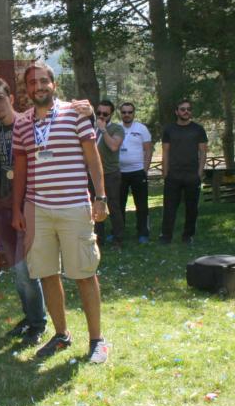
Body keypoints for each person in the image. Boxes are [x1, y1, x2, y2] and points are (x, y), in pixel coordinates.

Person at [11, 62, 110, 363]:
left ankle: (97, 340)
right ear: (27, 89)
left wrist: (101, 197)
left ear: (53, 84)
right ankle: (61, 334)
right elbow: (20, 170)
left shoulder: (75, 113)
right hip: (38, 210)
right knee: (47, 274)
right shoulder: (21, 124)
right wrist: (17, 208)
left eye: (44, 81)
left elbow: (93, 159)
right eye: (32, 82)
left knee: (84, 273)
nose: (38, 86)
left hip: (74, 206)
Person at [0, 77, 47, 346]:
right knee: (17, 269)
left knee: (25, 268)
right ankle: (30, 317)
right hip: (2, 208)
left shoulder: (30, 125)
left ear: (10, 98)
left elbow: (46, 157)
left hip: (28, 206)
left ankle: (38, 323)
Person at [159, 99, 207, 245]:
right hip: (173, 174)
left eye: (188, 109)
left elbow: (203, 152)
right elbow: (165, 152)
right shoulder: (169, 130)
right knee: (169, 208)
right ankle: (166, 236)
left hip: (192, 174)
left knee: (192, 208)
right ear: (177, 112)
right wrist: (165, 172)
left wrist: (199, 172)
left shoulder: (198, 129)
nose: (186, 112)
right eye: (183, 109)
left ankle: (188, 236)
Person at [118, 102, 152, 244]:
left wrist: (145, 170)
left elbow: (148, 150)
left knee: (141, 204)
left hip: (138, 172)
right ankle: (118, 232)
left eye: (129, 112)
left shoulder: (141, 128)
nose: (127, 114)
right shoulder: (116, 128)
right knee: (119, 205)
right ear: (120, 113)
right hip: (120, 173)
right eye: (124, 112)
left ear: (133, 113)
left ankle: (143, 232)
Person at [94, 100, 125, 248]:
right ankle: (98, 239)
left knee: (113, 207)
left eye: (105, 114)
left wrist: (103, 130)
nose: (101, 116)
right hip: (94, 175)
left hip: (110, 174)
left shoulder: (117, 128)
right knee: (95, 206)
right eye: (98, 113)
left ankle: (118, 239)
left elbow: (113, 146)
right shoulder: (91, 128)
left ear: (111, 114)